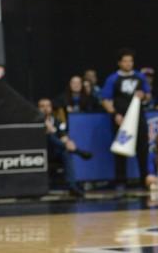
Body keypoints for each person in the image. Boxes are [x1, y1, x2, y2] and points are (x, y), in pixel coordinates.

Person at [100, 48, 150, 188]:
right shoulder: (113, 79)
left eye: (130, 61)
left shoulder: (140, 77)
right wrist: (114, 114)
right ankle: (121, 180)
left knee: (143, 148)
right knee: (121, 149)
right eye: (125, 61)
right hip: (121, 118)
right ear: (119, 63)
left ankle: (144, 179)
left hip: (138, 117)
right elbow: (106, 100)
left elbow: (148, 95)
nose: (128, 64)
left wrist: (144, 96)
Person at [38, 97, 90, 197]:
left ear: (51, 108)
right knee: (50, 136)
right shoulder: (35, 121)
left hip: (55, 151)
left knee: (66, 152)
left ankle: (72, 187)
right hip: (41, 152)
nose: (45, 108)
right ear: (38, 108)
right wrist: (49, 130)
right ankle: (79, 152)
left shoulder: (56, 121)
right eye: (42, 106)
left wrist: (69, 142)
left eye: (48, 106)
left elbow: (63, 135)